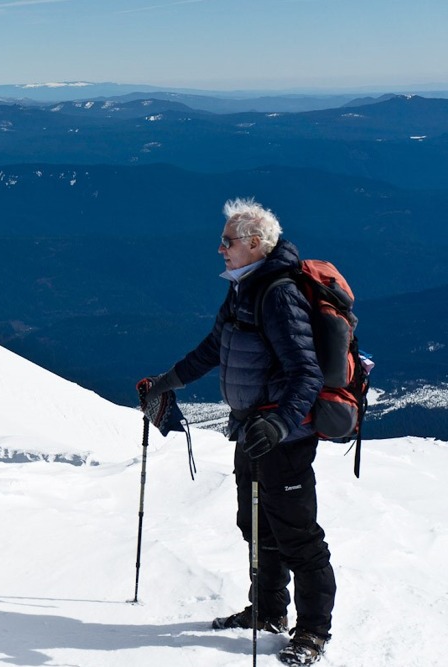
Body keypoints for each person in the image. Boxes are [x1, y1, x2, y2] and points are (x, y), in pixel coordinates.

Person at [138, 198, 334, 666]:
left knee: (298, 535)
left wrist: (280, 422)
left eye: (227, 241)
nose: (220, 248)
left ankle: (312, 632)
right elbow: (214, 347)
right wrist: (168, 381)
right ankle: (267, 613)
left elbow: (306, 373)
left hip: (282, 439)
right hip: (251, 431)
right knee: (256, 525)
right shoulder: (244, 288)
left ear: (254, 244)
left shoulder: (278, 294)